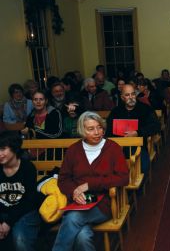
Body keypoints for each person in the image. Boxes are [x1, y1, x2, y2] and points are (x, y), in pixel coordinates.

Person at [52, 111, 129, 251]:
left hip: (104, 203)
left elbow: (123, 178)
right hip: (78, 202)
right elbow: (63, 179)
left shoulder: (113, 148)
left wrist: (89, 184)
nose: (97, 132)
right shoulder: (73, 150)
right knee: (83, 236)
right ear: (82, 130)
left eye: (99, 127)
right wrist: (74, 192)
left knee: (72, 219)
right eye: (91, 129)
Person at [0, 131, 41, 251]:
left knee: (20, 239)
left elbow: (29, 201)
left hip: (25, 212)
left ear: (14, 148)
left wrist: (8, 222)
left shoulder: (27, 168)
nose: (0, 154)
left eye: (3, 149)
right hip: (2, 213)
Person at [106, 84, 160, 175]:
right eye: (127, 95)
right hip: (119, 147)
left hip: (139, 147)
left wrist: (137, 132)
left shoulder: (145, 108)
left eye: (133, 94)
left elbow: (156, 126)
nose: (131, 97)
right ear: (122, 97)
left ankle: (138, 189)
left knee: (142, 168)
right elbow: (108, 131)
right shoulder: (116, 111)